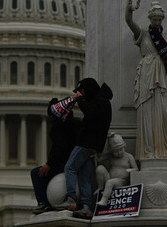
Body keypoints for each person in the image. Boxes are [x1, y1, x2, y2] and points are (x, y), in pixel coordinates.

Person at [125, 0, 167, 159]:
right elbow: (129, 21)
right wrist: (129, 6)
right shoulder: (143, 34)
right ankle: (148, 151)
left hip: (166, 74)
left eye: (159, 19)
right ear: (150, 19)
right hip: (147, 72)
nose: (157, 22)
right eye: (154, 19)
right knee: (148, 114)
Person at [56, 77, 113, 219]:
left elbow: (90, 113)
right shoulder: (102, 101)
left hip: (87, 143)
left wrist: (80, 100)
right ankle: (86, 206)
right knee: (84, 175)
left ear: (87, 90)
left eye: (81, 91)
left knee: (70, 167)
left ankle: (71, 199)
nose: (80, 94)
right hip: (93, 145)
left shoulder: (100, 101)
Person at [30, 97, 78, 214]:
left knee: (37, 173)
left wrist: (49, 164)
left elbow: (58, 148)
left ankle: (43, 203)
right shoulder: (75, 122)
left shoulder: (58, 127)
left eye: (50, 116)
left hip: (64, 164)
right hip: (75, 163)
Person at [95, 133, 138, 206]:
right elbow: (99, 160)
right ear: (111, 151)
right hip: (109, 179)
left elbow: (136, 169)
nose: (119, 152)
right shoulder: (111, 156)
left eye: (121, 149)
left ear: (124, 146)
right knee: (100, 168)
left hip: (122, 181)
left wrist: (130, 170)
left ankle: (104, 200)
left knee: (110, 182)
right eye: (116, 151)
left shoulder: (129, 156)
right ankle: (100, 187)